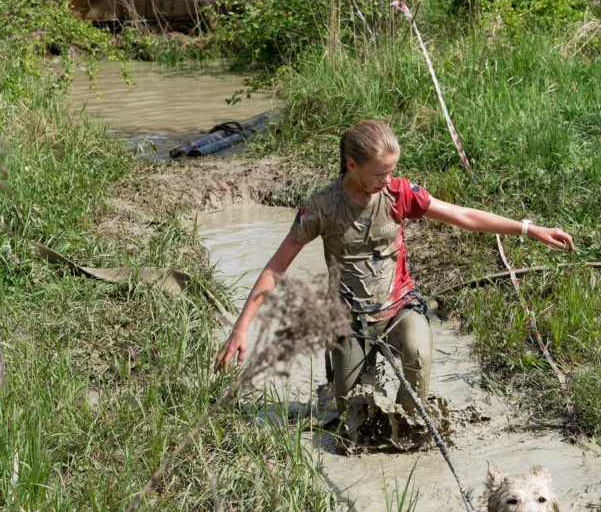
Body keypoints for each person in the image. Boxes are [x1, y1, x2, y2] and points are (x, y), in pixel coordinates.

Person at [215, 120, 574, 419]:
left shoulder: (401, 194)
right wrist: (241, 328)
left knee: (417, 361)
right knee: (352, 418)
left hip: (399, 304)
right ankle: (343, 376)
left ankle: (410, 425)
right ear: (351, 165)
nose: (387, 180)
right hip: (350, 315)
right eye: (379, 174)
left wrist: (529, 229)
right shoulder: (321, 207)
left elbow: (464, 216)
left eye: (392, 171)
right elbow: (275, 269)